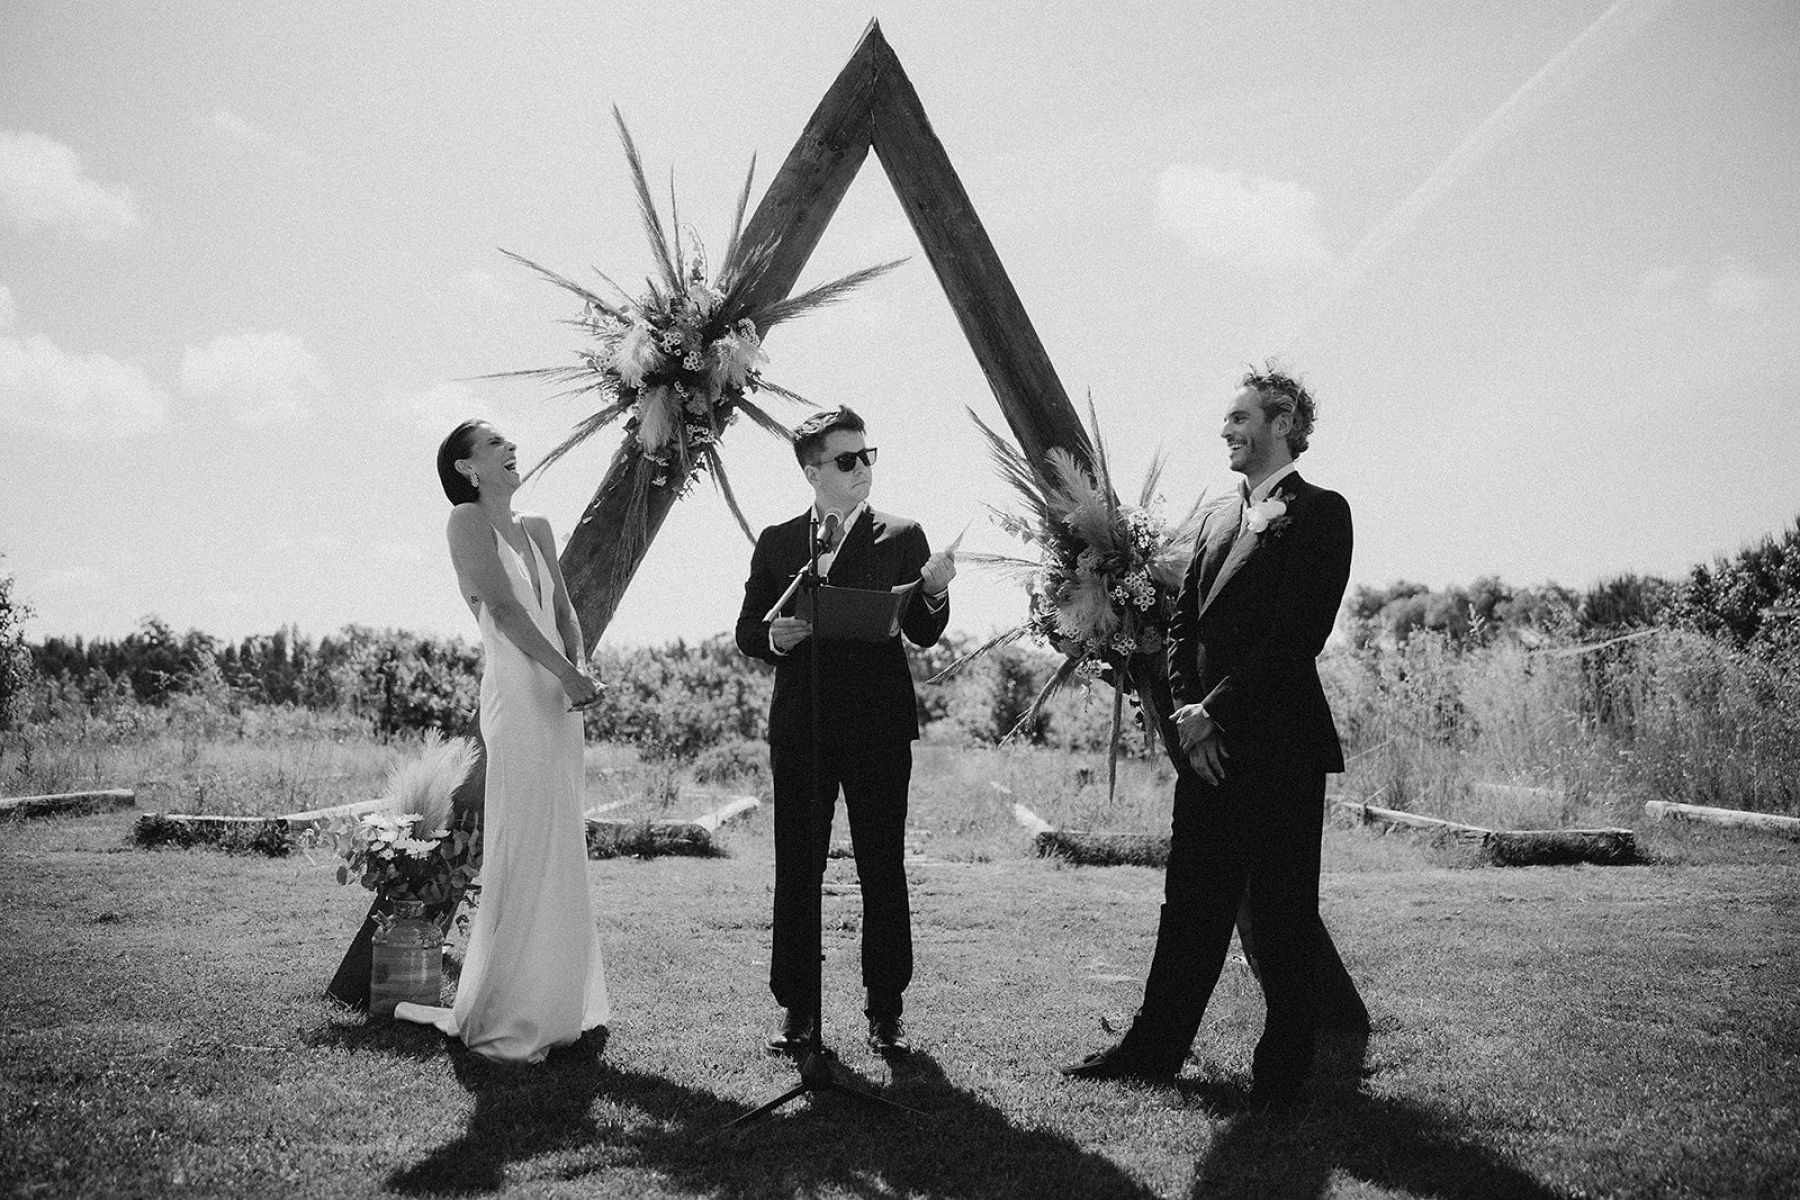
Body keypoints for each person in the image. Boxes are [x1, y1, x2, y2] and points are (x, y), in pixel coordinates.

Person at [1062, 367, 1353, 1109]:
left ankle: (1283, 1073)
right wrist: (1188, 719)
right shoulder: (1222, 517)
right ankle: (1152, 1051)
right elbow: (1184, 624)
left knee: (1284, 910)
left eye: (1239, 417)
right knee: (1189, 904)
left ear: (1283, 421)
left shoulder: (1322, 512)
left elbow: (1299, 634)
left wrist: (1215, 711)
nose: (1225, 430)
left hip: (1279, 745)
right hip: (1205, 749)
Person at [735, 407, 956, 1058]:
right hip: (801, 728)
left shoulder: (904, 534)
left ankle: (886, 1010)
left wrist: (936, 594)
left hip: (879, 729)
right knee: (797, 869)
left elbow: (921, 630)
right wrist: (773, 636)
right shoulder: (778, 542)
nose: (863, 469)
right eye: (846, 459)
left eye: (868, 455)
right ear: (812, 471)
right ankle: (798, 1011)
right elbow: (748, 629)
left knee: (881, 866)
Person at [395, 419, 609, 1063]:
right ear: (467, 469)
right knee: (525, 833)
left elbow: (564, 610)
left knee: (562, 835)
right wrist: (564, 672)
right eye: (494, 444)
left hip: (559, 696)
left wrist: (578, 670)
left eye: (509, 442)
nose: (511, 449)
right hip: (517, 694)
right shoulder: (466, 522)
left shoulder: (538, 527)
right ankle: (512, 1005)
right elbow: (506, 610)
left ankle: (563, 1000)